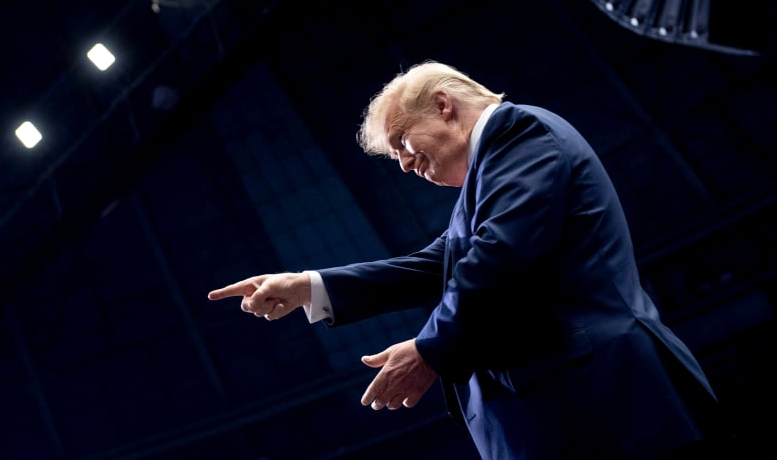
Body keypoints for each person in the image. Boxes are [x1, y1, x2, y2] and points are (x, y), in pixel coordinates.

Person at [208, 60, 731, 459]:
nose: (406, 165)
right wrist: (310, 286)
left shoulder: (520, 132)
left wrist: (430, 350)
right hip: (563, 411)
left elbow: (499, 258)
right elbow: (437, 265)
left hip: (600, 402)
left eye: (402, 143)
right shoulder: (486, 180)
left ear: (442, 105)